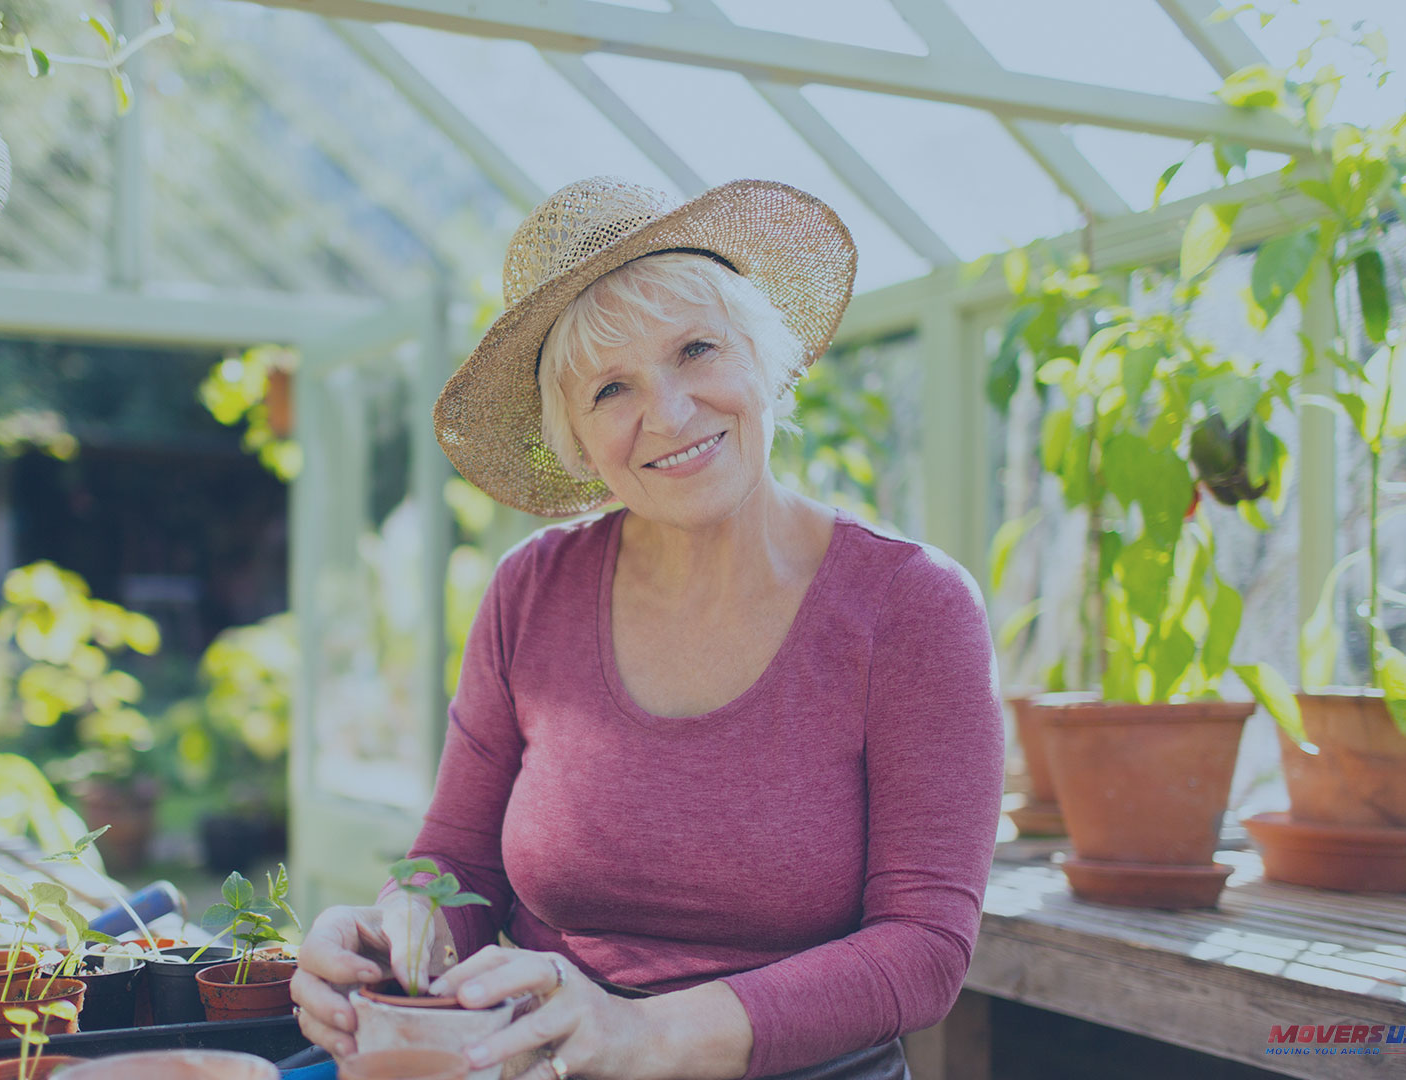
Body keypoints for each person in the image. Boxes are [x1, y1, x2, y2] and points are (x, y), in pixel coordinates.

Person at [290, 176, 1003, 1080]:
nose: (667, 414)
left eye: (697, 349)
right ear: (577, 442)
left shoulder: (911, 606)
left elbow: (923, 949)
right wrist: (394, 931)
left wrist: (645, 1036)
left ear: (765, 358)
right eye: (611, 388)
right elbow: (459, 861)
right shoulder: (531, 592)